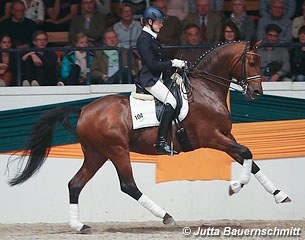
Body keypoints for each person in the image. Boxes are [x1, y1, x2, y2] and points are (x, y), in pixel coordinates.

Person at [136, 6, 186, 155]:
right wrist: (172, 63)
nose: (162, 25)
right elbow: (152, 64)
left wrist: (176, 70)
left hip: (159, 77)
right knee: (171, 102)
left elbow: (162, 59)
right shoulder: (144, 40)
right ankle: (161, 142)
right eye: (159, 22)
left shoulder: (152, 38)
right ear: (149, 22)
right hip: (149, 79)